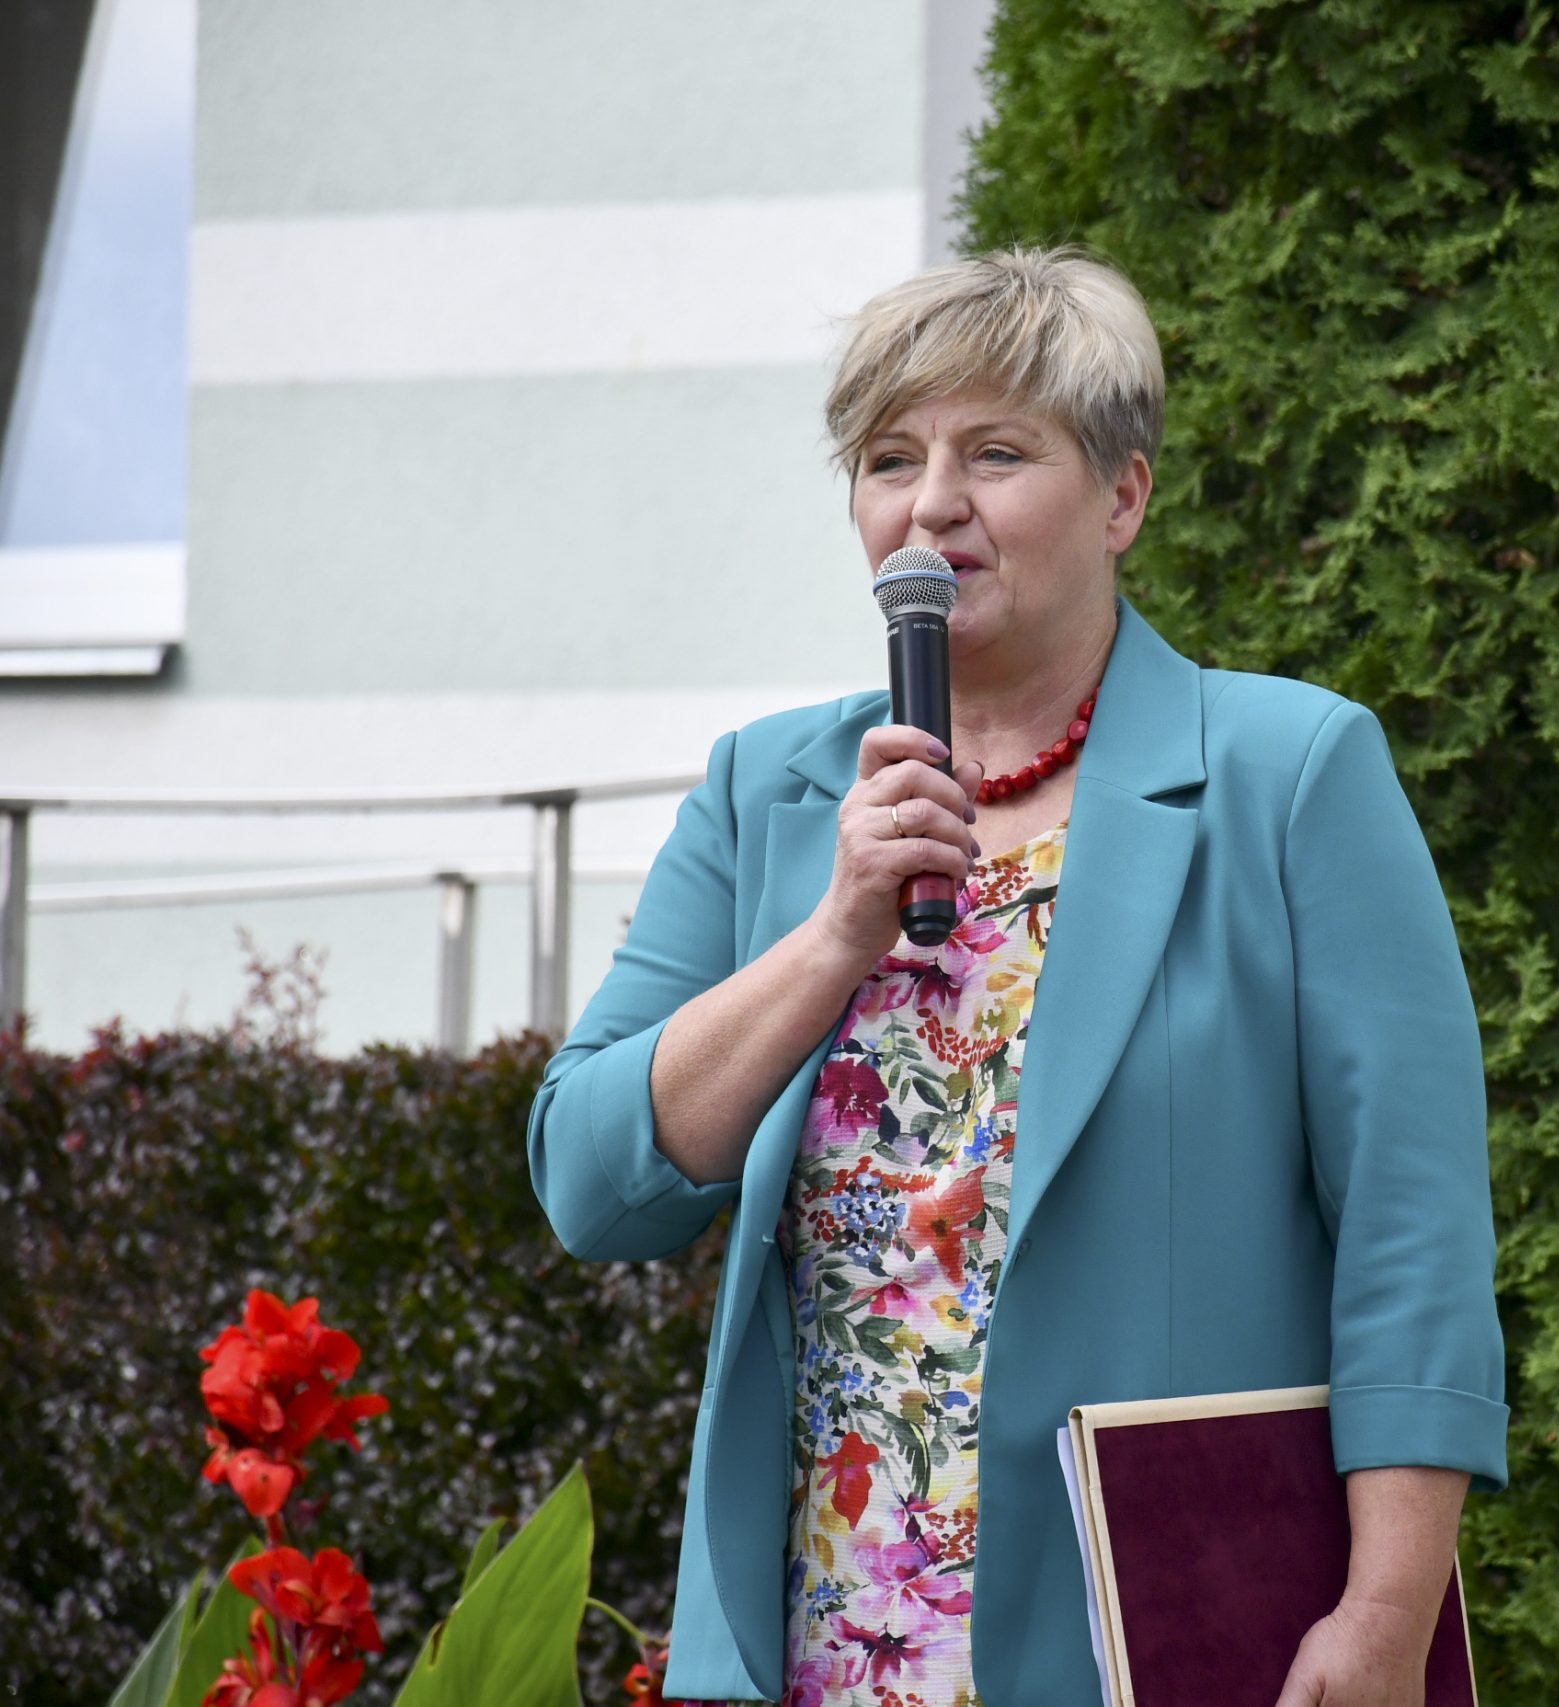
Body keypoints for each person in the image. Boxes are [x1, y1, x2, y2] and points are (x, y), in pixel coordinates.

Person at [525, 246, 1506, 1707]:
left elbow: (1411, 1237)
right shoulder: (765, 793)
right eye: (890, 459)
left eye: (995, 452)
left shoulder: (1290, 775)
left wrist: (1387, 1612)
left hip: (1169, 1639)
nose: (932, 504)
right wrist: (832, 935)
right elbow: (591, 1185)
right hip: (831, 1637)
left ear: (1123, 497)